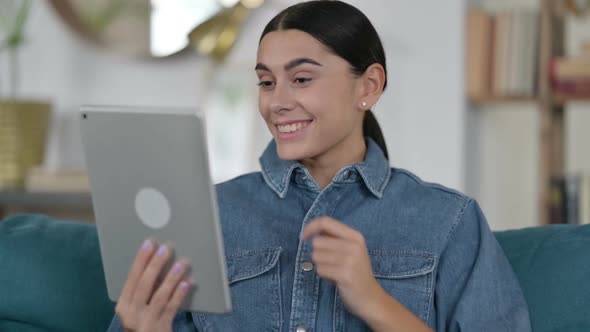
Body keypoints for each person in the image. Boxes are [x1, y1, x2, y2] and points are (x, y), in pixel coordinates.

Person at [107, 1, 532, 331]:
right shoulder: (207, 214)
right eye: (267, 82)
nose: (277, 101)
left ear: (368, 86)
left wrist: (373, 299)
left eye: (302, 79)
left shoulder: (449, 221)